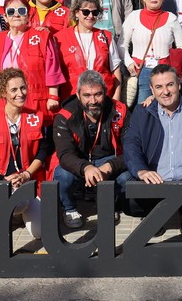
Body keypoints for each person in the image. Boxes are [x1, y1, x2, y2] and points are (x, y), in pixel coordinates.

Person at [123, 65, 182, 236]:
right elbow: (131, 143)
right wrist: (141, 170)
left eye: (170, 85)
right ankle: (153, 216)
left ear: (178, 84)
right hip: (154, 180)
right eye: (159, 87)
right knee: (130, 201)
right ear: (151, 89)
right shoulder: (142, 112)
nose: (165, 91)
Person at [0, 67, 52, 240]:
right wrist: (1, 179)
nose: (20, 93)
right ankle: (10, 214)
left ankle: (19, 214)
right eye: (14, 89)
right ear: (3, 93)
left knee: (40, 234)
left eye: (23, 88)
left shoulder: (36, 117)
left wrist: (26, 173)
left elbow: (42, 152)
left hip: (28, 180)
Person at [52, 70, 131, 230]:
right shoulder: (65, 115)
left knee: (128, 177)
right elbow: (65, 154)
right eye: (87, 95)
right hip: (80, 162)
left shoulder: (120, 110)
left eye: (98, 94)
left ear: (106, 92)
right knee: (62, 175)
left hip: (108, 160)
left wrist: (111, 166)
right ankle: (70, 209)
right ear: (78, 94)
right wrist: (86, 167)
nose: (93, 101)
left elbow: (132, 150)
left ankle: (111, 204)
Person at [0, 0, 64, 116]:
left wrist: (53, 96)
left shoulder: (42, 37)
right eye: (11, 11)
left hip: (34, 102)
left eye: (21, 10)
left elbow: (53, 68)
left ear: (28, 16)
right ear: (5, 17)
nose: (16, 14)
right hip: (3, 103)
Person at [122, 0, 182, 103]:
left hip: (165, 70)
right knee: (144, 108)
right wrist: (129, 62)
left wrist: (174, 68)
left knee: (166, 105)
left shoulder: (171, 18)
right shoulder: (134, 16)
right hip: (141, 71)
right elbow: (122, 44)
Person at [54, 0, 123, 101]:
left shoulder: (106, 36)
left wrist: (117, 96)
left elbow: (116, 69)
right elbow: (55, 72)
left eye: (94, 12)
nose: (90, 16)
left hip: (102, 97)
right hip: (72, 97)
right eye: (86, 12)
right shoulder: (60, 37)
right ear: (76, 13)